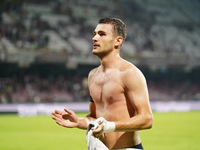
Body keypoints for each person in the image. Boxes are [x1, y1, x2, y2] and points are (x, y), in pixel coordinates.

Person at [52, 17, 153, 150]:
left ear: (118, 41)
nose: (94, 38)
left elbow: (147, 119)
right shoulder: (92, 75)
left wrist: (109, 127)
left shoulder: (129, 73)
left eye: (102, 34)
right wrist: (79, 122)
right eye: (94, 34)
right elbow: (94, 118)